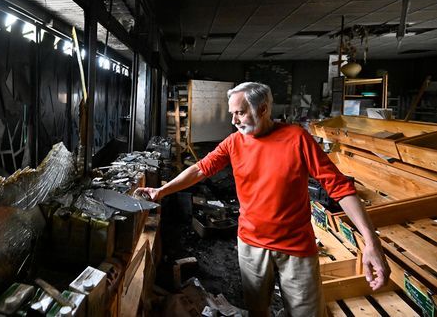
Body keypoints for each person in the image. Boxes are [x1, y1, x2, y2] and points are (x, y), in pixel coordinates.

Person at [136, 82, 389, 316]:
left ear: (264, 109)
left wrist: (370, 242)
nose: (234, 121)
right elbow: (200, 169)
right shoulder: (234, 142)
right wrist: (162, 191)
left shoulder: (297, 139)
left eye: (241, 113)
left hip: (296, 249)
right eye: (232, 113)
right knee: (257, 311)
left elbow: (340, 187)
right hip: (251, 245)